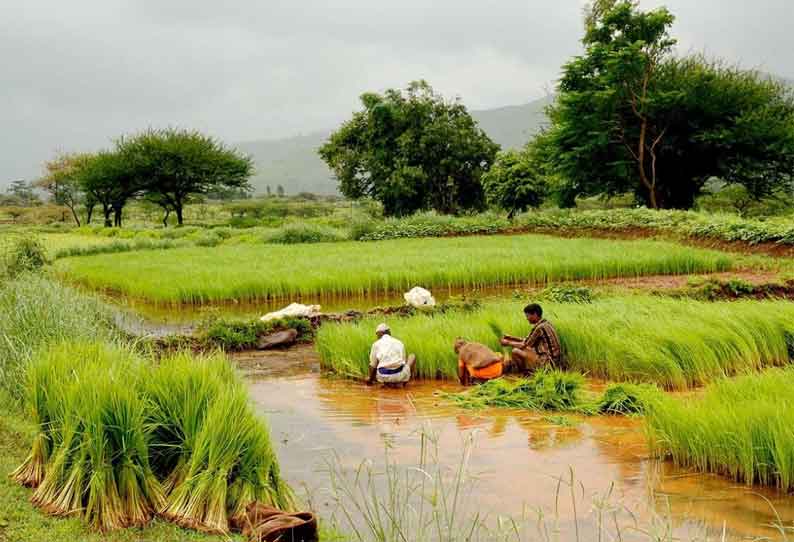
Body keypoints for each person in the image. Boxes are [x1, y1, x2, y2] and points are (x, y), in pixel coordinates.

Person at [500, 303, 562, 373]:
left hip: (548, 362)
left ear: (535, 314)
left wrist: (507, 343)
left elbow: (524, 345)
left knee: (515, 351)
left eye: (527, 316)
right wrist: (510, 337)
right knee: (526, 349)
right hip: (555, 361)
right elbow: (527, 340)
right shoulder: (546, 323)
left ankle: (525, 373)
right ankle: (531, 370)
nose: (527, 318)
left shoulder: (539, 328)